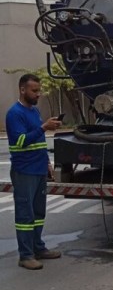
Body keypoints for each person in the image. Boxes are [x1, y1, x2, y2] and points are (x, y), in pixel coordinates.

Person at [6, 73, 63, 270]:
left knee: (39, 213)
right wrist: (44, 127)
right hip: (24, 171)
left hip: (38, 169)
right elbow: (20, 141)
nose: (38, 94)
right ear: (23, 90)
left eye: (39, 90)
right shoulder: (14, 114)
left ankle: (38, 247)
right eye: (34, 90)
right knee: (25, 215)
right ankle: (26, 255)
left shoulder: (35, 111)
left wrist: (47, 163)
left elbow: (38, 142)